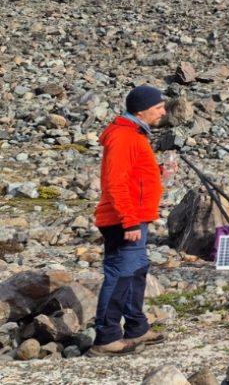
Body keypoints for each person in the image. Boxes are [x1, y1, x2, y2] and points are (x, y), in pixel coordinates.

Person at [92, 85, 171, 356]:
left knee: (136, 272)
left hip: (135, 217)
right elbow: (115, 183)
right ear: (141, 110)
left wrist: (157, 171)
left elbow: (132, 174)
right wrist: (129, 221)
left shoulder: (133, 134)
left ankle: (137, 328)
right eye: (159, 107)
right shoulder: (124, 136)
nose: (163, 111)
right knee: (120, 275)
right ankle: (106, 337)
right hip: (123, 220)